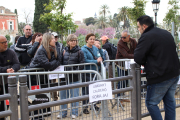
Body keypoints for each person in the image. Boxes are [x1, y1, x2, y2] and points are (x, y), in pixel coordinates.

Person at [134, 15, 180, 120]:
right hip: (173, 73)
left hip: (159, 75)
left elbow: (138, 57)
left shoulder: (147, 36)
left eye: (138, 27)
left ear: (144, 26)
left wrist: (145, 62)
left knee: (151, 103)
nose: (138, 29)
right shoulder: (166, 33)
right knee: (170, 102)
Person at [57, 34, 84, 119]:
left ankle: (74, 113)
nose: (74, 42)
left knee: (74, 96)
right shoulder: (64, 51)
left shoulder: (80, 52)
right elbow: (60, 63)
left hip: (74, 78)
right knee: (63, 96)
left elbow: (82, 64)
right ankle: (63, 113)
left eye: (75, 40)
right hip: (64, 77)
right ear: (68, 42)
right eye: (72, 40)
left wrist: (74, 72)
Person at [81, 33, 103, 114]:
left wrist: (100, 49)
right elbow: (85, 60)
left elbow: (100, 57)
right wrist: (95, 61)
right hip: (87, 72)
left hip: (95, 72)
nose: (92, 40)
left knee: (94, 90)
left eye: (93, 39)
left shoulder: (95, 48)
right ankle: (85, 107)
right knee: (86, 91)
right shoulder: (83, 49)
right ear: (87, 40)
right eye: (90, 39)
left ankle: (93, 105)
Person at [0, 35, 20, 120]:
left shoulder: (11, 52)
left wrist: (12, 69)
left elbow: (17, 64)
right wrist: (5, 70)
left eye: (6, 42)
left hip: (8, 83)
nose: (6, 44)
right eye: (3, 42)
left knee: (8, 102)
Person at [116, 30, 137, 104]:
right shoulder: (120, 43)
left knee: (126, 81)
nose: (122, 39)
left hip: (129, 65)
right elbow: (125, 55)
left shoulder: (133, 41)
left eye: (124, 37)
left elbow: (137, 50)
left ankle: (122, 97)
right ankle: (118, 98)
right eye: (121, 37)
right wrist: (136, 56)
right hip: (121, 64)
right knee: (121, 81)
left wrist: (136, 55)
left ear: (129, 36)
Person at [51, 32, 64, 101]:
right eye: (54, 37)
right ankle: (54, 97)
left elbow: (62, 53)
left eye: (56, 37)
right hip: (52, 67)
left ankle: (61, 95)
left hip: (60, 66)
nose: (55, 38)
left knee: (61, 82)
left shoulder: (60, 45)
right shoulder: (49, 45)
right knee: (53, 83)